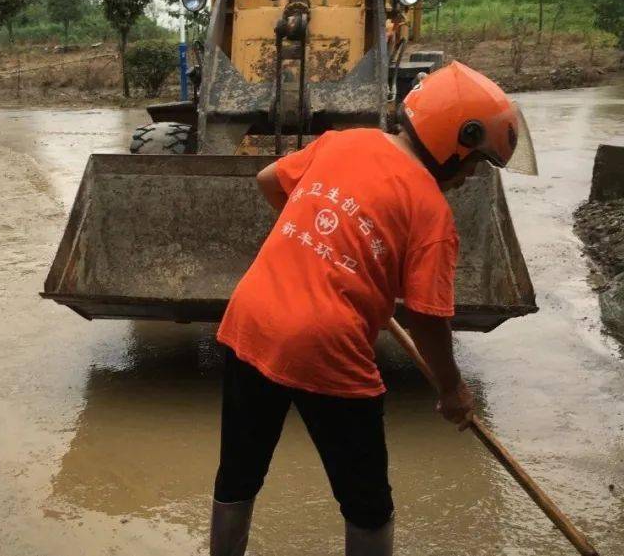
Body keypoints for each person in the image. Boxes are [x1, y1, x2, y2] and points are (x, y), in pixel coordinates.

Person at [208, 62, 523, 556]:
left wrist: (318, 242)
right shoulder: (432, 212)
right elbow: (427, 318)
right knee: (367, 504)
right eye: (473, 163)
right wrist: (452, 390)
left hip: (250, 318)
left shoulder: (346, 141)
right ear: (452, 144)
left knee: (239, 474)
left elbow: (269, 179)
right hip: (328, 345)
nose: (468, 177)